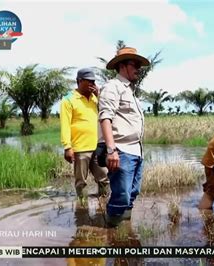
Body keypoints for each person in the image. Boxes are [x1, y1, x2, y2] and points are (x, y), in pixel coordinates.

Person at [98, 47, 150, 227]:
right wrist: (111, 150)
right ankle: (112, 231)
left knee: (133, 193)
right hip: (121, 150)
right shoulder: (112, 87)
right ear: (122, 66)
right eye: (134, 64)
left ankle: (125, 230)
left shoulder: (130, 91)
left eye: (139, 65)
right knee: (122, 195)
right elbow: (105, 117)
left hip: (136, 150)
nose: (138, 68)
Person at [60, 68, 109, 203]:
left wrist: (99, 95)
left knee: (104, 177)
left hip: (98, 146)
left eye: (94, 81)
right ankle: (82, 207)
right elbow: (65, 124)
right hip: (80, 148)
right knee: (81, 181)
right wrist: (67, 147)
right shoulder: (68, 100)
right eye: (89, 81)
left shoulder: (95, 98)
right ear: (80, 81)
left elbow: (106, 112)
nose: (92, 84)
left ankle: (103, 203)